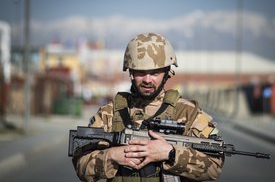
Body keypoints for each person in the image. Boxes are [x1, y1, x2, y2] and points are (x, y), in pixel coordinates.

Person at [73, 32, 224, 182]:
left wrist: (171, 154)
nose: (147, 80)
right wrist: (111, 156)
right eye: (140, 72)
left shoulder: (188, 112)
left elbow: (214, 167)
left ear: (167, 72)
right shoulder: (110, 113)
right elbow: (81, 166)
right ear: (130, 72)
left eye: (155, 73)